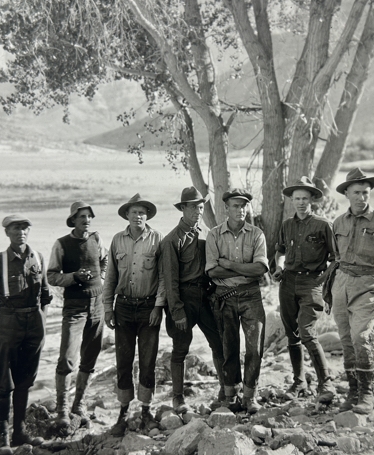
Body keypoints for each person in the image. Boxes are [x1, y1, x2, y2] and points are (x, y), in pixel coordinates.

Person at [329, 168, 374, 413]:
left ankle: (366, 394)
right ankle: (352, 392)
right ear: (347, 194)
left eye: (365, 193)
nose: (361, 197)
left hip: (369, 285)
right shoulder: (339, 222)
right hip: (342, 283)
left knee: (360, 337)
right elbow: (336, 254)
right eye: (356, 193)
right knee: (346, 339)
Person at [0, 214, 53, 455]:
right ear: (7, 233)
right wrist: (0, 324)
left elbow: (45, 294)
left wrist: (41, 320)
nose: (20, 232)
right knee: (4, 383)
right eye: (15, 228)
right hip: (8, 323)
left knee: (25, 380)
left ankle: (19, 432)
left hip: (34, 324)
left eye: (24, 228)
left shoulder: (38, 258)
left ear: (28, 231)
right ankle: (3, 437)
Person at [103, 194, 166, 436]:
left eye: (142, 212)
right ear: (127, 215)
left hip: (149, 308)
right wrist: (108, 308)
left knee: (148, 361)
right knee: (124, 360)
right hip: (124, 308)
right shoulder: (117, 240)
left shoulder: (157, 239)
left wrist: (158, 307)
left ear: (147, 216)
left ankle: (146, 411)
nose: (138, 216)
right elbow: (110, 277)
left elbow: (163, 277)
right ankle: (123, 412)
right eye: (134, 212)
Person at [271, 177, 337, 404]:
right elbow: (280, 250)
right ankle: (299, 382)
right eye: (297, 198)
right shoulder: (287, 225)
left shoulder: (323, 225)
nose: (301, 203)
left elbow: (335, 259)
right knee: (292, 334)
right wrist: (279, 268)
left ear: (312, 201)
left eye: (305, 199)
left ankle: (325, 383)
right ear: (291, 200)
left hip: (312, 282)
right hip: (288, 282)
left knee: (307, 331)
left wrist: (322, 281)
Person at [160, 187, 226, 413]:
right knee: (180, 348)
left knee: (218, 342)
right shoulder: (172, 240)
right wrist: (176, 311)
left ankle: (225, 391)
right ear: (183, 209)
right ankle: (178, 398)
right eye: (193, 208)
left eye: (200, 207)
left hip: (204, 297)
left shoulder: (206, 234)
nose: (198, 211)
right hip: (183, 299)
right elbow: (170, 280)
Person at [206, 188, 269, 414]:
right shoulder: (214, 235)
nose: (240, 210)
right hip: (224, 297)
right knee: (229, 347)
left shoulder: (256, 234)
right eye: (235, 205)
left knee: (255, 348)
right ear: (226, 208)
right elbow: (212, 271)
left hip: (251, 295)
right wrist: (245, 269)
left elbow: (260, 269)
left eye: (243, 206)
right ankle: (230, 396)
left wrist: (230, 265)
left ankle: (250, 396)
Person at [47, 201, 108, 433]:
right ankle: (62, 410)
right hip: (74, 308)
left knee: (90, 356)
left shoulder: (96, 239)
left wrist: (101, 277)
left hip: (97, 306)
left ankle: (78, 405)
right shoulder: (62, 244)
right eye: (82, 217)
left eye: (89, 216)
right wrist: (74, 277)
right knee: (67, 358)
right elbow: (52, 276)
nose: (86, 220)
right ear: (73, 220)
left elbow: (104, 260)